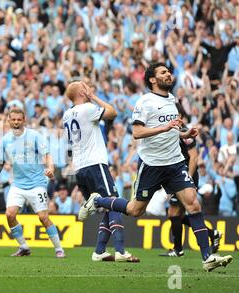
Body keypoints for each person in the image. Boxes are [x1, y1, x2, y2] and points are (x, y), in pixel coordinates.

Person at [87, 63, 233, 272]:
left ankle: (207, 257)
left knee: (193, 204)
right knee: (134, 210)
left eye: (168, 71)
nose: (169, 74)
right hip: (152, 164)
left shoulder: (172, 100)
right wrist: (164, 127)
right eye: (163, 72)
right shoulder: (145, 101)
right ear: (153, 80)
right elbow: (137, 132)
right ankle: (98, 200)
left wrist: (183, 134)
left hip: (174, 163)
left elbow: (170, 131)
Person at [64, 81, 139, 263]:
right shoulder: (88, 108)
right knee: (112, 201)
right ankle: (120, 250)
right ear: (82, 92)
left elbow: (69, 146)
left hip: (80, 167)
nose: (89, 87)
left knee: (109, 207)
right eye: (85, 86)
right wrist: (94, 97)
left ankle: (99, 251)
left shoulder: (66, 115)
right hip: (95, 164)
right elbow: (113, 112)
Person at [0, 107, 65, 258]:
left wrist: (50, 168)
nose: (16, 122)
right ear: (8, 120)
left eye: (19, 119)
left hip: (37, 183)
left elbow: (47, 155)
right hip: (18, 185)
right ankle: (24, 246)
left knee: (43, 217)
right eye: (13, 119)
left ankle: (59, 249)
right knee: (10, 214)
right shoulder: (5, 140)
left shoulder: (34, 136)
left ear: (24, 120)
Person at [160, 116, 222, 257]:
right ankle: (212, 234)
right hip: (178, 176)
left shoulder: (185, 132)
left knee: (174, 213)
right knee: (178, 215)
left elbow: (194, 157)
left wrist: (187, 178)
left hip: (186, 176)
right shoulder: (172, 132)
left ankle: (178, 249)